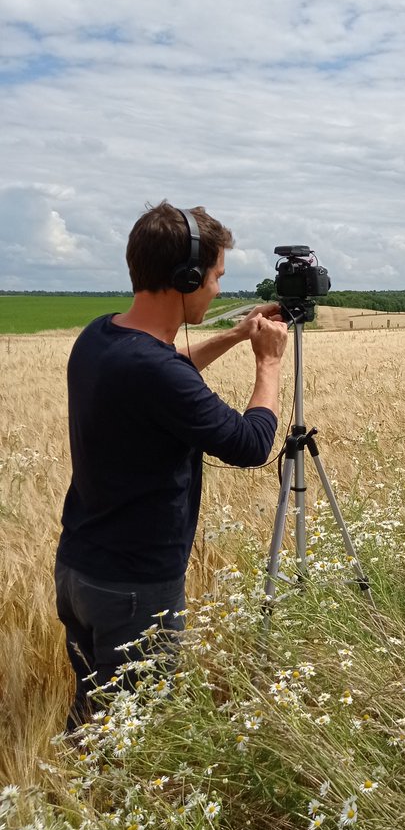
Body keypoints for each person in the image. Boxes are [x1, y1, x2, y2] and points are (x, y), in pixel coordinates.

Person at [55, 201, 288, 729]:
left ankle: (74, 777)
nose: (218, 290)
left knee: (94, 713)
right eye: (216, 276)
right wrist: (269, 363)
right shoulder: (155, 373)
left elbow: (166, 368)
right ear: (186, 277)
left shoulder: (99, 336)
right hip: (135, 585)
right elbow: (251, 444)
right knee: (135, 732)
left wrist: (234, 335)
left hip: (79, 569)